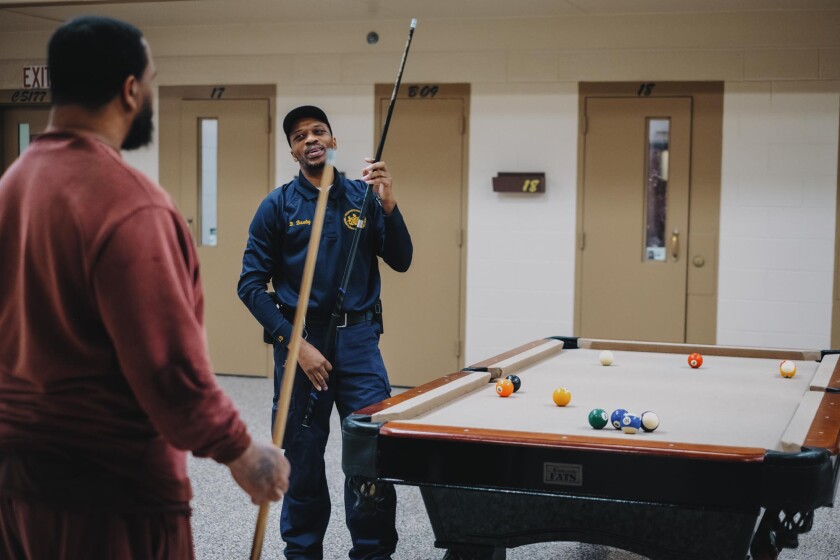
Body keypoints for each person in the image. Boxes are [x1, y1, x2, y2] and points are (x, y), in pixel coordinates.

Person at [0, 16, 289, 560]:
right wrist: (242, 452)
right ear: (131, 89)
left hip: (18, 481)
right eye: (152, 80)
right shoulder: (129, 203)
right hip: (110, 495)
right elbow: (168, 371)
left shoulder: (12, 186)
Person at [238, 105, 413, 559]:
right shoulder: (277, 206)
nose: (311, 139)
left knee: (369, 457)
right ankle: (302, 551)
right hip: (301, 346)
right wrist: (296, 345)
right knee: (302, 462)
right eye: (300, 135)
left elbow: (401, 258)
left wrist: (389, 204)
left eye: (319, 131)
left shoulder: (363, 197)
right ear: (292, 149)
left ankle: (373, 552)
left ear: (332, 140)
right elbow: (250, 286)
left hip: (358, 344)